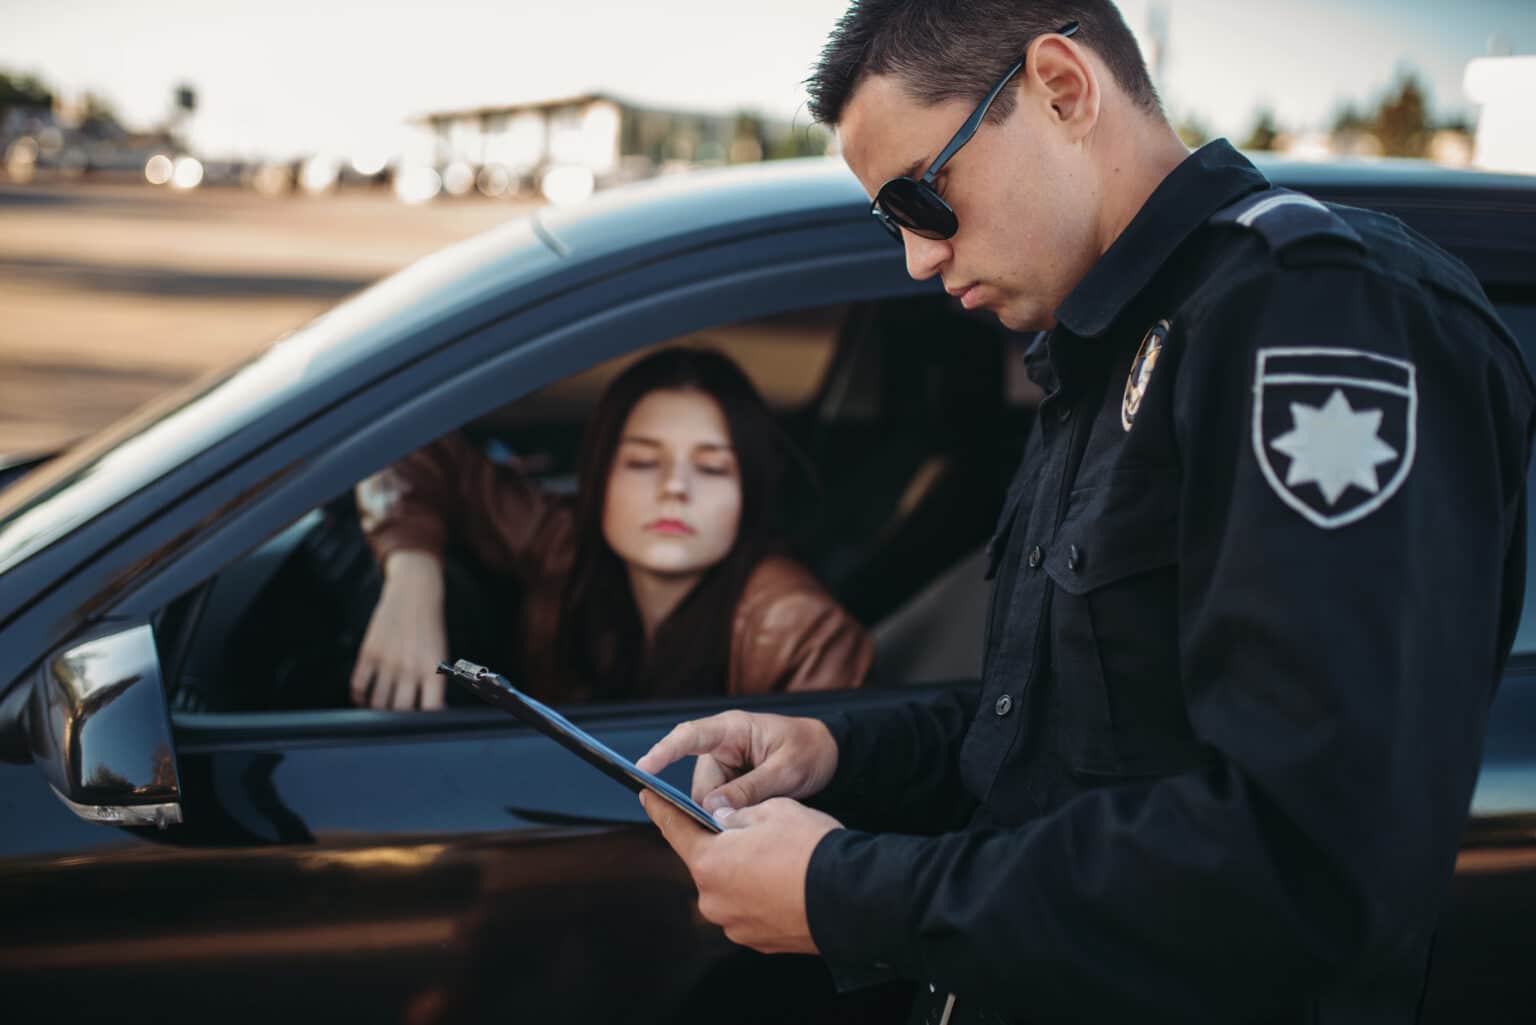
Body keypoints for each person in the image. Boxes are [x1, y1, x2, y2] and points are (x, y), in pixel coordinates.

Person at [635, 2, 1536, 1023]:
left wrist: (845, 892)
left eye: (922, 200)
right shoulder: (1104, 346)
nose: (917, 259)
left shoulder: (1314, 316)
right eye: (889, 223)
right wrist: (840, 752)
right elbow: (1062, 738)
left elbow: (1306, 860)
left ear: (1062, 87)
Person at [350, 346, 873, 710]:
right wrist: (412, 573)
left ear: (749, 494)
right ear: (599, 478)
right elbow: (398, 444)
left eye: (712, 468)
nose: (675, 488)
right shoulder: (564, 541)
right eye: (644, 463)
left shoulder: (800, 631)